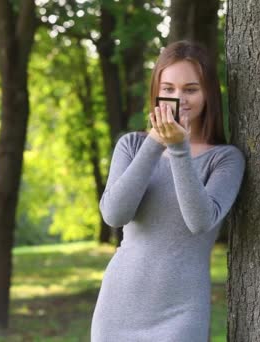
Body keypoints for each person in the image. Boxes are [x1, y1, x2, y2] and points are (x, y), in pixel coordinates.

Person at [90, 40, 246, 341]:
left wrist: (179, 149)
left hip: (181, 314)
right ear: (157, 91)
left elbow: (199, 222)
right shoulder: (132, 145)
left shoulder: (225, 158)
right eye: (169, 88)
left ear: (209, 93)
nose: (179, 98)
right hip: (117, 308)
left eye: (191, 89)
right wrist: (155, 142)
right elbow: (114, 214)